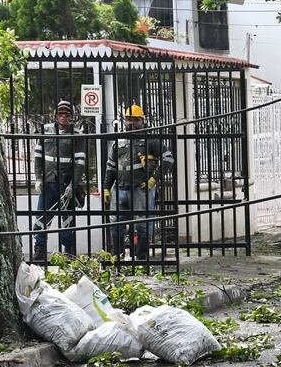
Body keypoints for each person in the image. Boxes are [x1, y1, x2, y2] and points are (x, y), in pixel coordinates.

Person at [103, 104, 174, 261]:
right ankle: (118, 258)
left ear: (142, 121)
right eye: (128, 120)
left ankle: (141, 259)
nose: (131, 123)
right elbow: (111, 166)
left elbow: (168, 159)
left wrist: (153, 180)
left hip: (141, 189)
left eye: (135, 120)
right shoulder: (119, 141)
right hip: (120, 189)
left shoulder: (151, 139)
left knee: (142, 224)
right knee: (116, 224)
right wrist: (107, 188)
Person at [32, 100, 87, 262]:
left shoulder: (77, 135)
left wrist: (73, 185)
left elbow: (80, 163)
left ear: (71, 117)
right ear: (56, 115)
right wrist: (38, 178)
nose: (63, 117)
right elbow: (38, 157)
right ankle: (40, 250)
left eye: (67, 114)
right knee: (42, 217)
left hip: (66, 184)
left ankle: (68, 252)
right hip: (48, 183)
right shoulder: (46, 131)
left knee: (68, 219)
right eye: (61, 114)